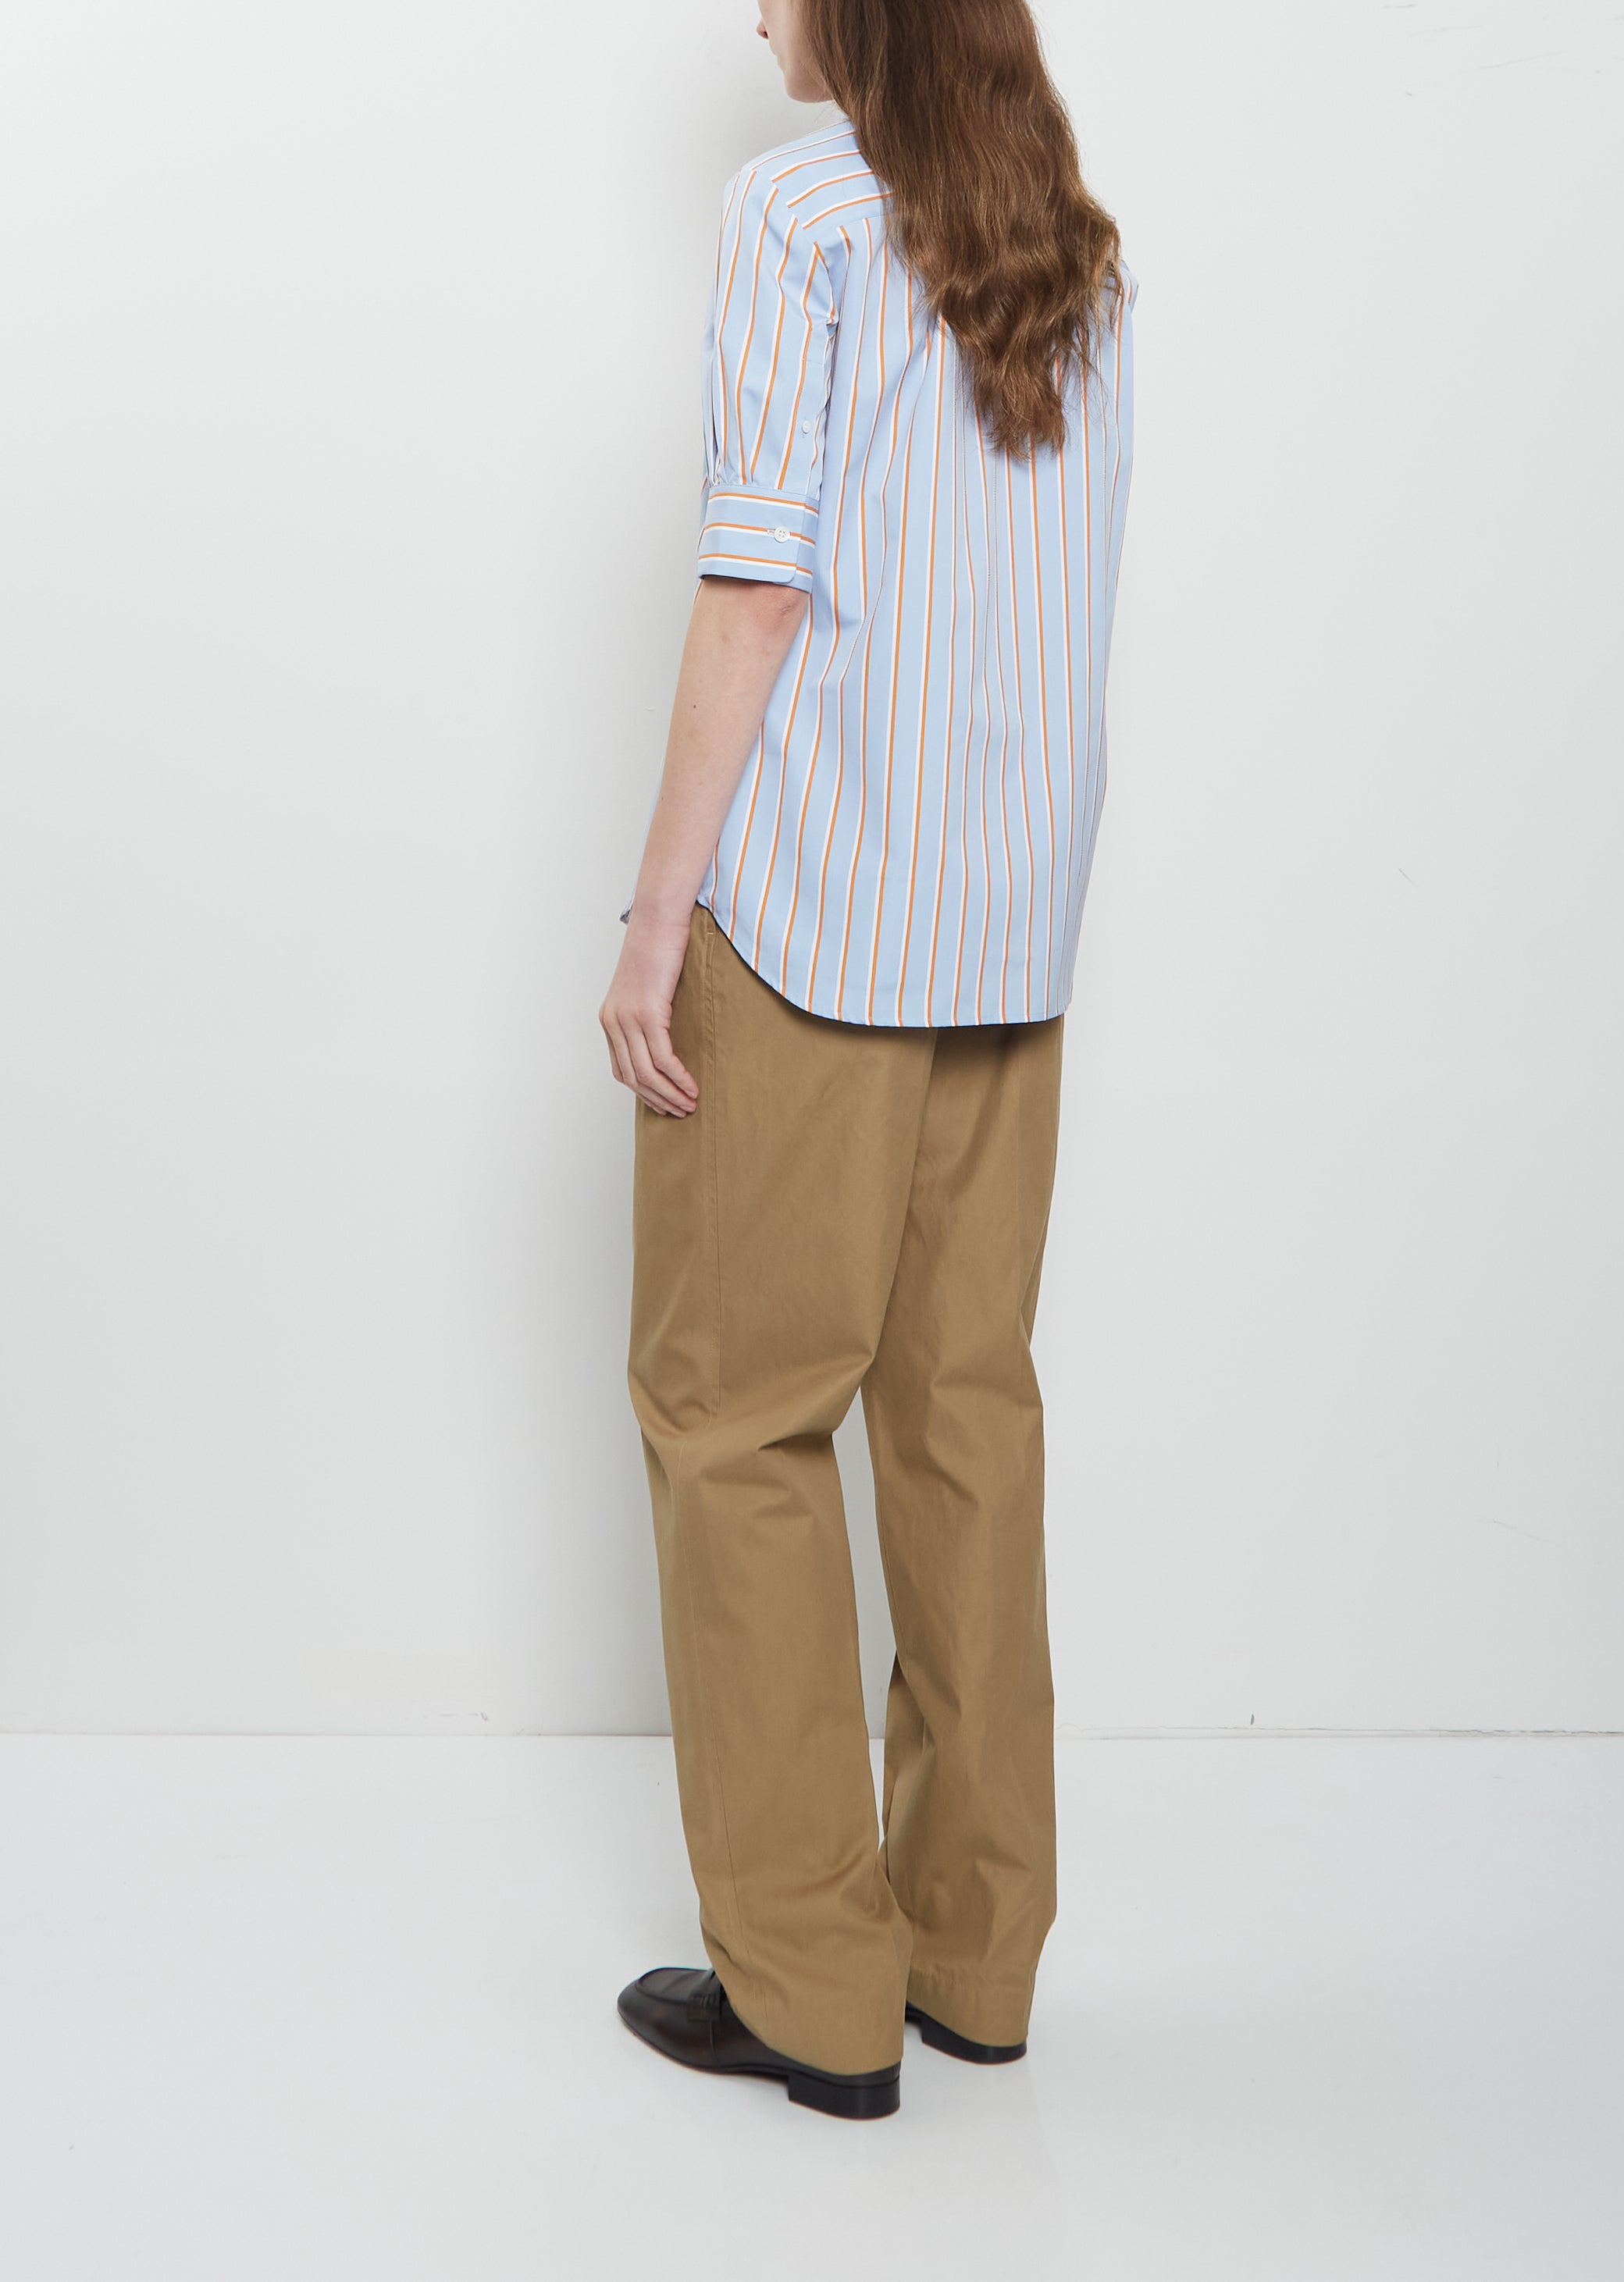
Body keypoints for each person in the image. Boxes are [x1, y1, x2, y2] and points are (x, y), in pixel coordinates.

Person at [600, 0, 1134, 2122]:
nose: (750, 9)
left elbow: (757, 591)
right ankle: (978, 1960)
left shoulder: (802, 215)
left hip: (820, 933)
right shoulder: (1074, 242)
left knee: (733, 1420)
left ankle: (813, 1984)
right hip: (1010, 940)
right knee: (963, 1417)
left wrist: (656, 918)